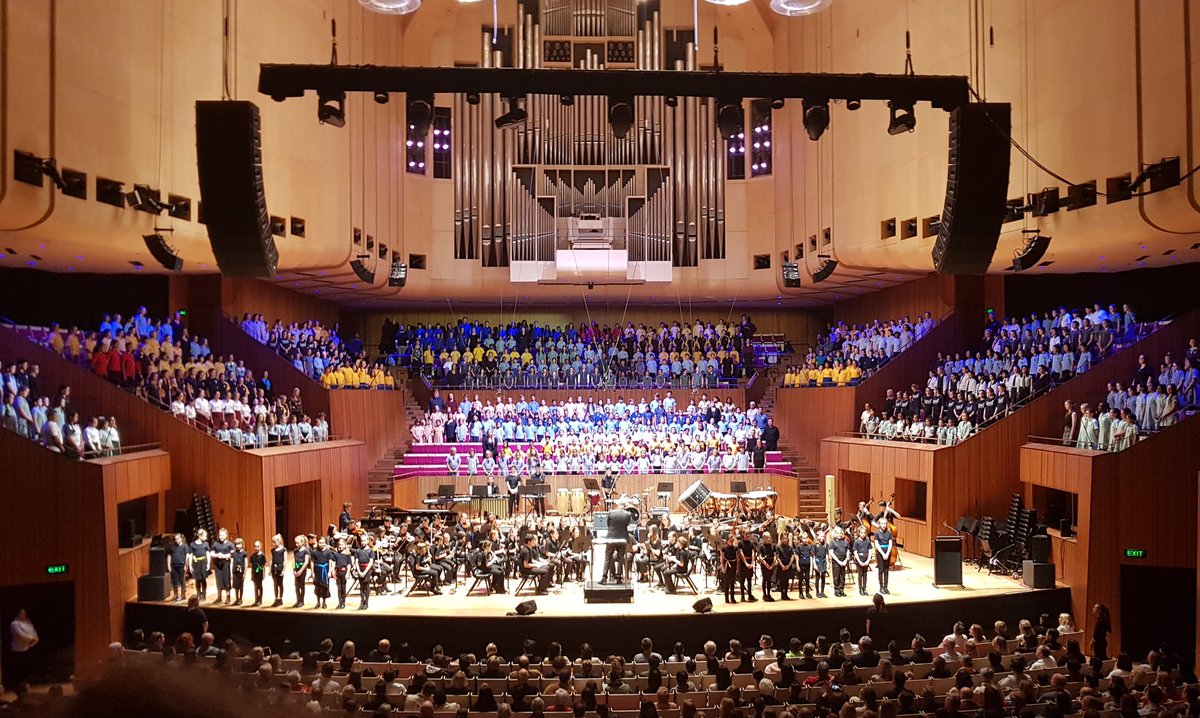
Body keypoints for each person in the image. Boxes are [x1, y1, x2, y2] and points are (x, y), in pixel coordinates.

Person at [8, 609, 38, 686]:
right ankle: (18, 684)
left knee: (26, 668)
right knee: (19, 668)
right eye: (21, 613)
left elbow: (33, 630)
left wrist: (35, 637)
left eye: (24, 613)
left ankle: (26, 683)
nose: (23, 615)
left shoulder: (27, 621)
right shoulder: (14, 624)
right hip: (17, 649)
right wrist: (32, 638)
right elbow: (20, 635)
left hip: (27, 647)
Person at [210, 528, 235, 605]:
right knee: (219, 581)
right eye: (220, 535)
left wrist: (224, 556)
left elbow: (233, 554)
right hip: (218, 565)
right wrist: (217, 555)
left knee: (226, 580)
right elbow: (211, 553)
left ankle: (228, 597)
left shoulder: (230, 544)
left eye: (223, 535)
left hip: (226, 564)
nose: (221, 537)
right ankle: (219, 597)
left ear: (226, 535)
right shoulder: (215, 544)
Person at [187, 528, 212, 602]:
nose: (206, 538)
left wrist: (208, 563)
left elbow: (208, 554)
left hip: (203, 563)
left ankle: (203, 594)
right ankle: (198, 594)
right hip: (196, 564)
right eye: (204, 536)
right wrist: (190, 565)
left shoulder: (206, 544)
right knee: (197, 580)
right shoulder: (192, 544)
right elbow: (191, 555)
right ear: (199, 536)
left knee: (203, 579)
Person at [354, 534, 376, 610]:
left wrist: (365, 572)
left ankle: (366, 602)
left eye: (364, 540)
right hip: (360, 568)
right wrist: (359, 571)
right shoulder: (358, 550)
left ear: (367, 541)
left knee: (366, 585)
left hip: (367, 569)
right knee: (361, 586)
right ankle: (362, 601)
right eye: (361, 540)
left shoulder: (370, 550)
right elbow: (356, 561)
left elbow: (371, 562)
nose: (362, 542)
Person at [873, 518, 893, 594]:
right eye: (882, 524)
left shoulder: (889, 533)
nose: (884, 525)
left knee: (886, 570)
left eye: (885, 523)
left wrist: (887, 553)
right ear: (879, 524)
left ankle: (886, 587)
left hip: (887, 553)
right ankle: (881, 587)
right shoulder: (877, 533)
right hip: (880, 553)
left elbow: (890, 543)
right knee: (881, 570)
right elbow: (877, 545)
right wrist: (883, 554)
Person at [168, 533, 189, 602]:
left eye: (178, 539)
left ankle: (183, 595)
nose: (177, 540)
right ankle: (175, 594)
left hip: (181, 566)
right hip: (174, 566)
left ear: (181, 539)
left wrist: (186, 565)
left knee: (182, 580)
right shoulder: (172, 547)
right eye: (175, 539)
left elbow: (187, 556)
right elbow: (169, 556)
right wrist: (168, 565)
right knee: (174, 581)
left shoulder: (185, 546)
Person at [830, 528, 850, 598]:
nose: (839, 535)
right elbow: (831, 552)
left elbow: (847, 551)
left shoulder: (845, 542)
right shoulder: (833, 542)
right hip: (836, 561)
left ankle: (842, 589)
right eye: (837, 533)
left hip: (844, 560)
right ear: (835, 534)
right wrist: (838, 561)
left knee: (842, 576)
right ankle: (837, 590)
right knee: (836, 576)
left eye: (840, 533)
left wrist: (846, 560)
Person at [292, 535, 312, 608]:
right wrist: (294, 570)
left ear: (302, 542)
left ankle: (301, 601)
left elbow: (306, 562)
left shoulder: (306, 550)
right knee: (296, 585)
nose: (296, 545)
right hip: (296, 569)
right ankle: (298, 600)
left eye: (298, 543)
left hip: (302, 570)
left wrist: (300, 571)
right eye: (295, 543)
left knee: (301, 585)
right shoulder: (295, 550)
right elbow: (293, 560)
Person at [852, 526, 872, 596]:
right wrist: (859, 561)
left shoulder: (867, 541)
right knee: (860, 574)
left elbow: (870, 551)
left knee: (865, 574)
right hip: (859, 560)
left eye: (864, 533)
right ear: (859, 533)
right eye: (861, 533)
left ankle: (864, 588)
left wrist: (868, 560)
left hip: (866, 559)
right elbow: (855, 551)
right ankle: (860, 589)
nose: (863, 534)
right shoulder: (856, 541)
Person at [270, 534, 287, 607]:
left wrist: (283, 570)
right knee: (275, 584)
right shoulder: (273, 550)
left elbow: (285, 560)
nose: (273, 544)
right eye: (272, 542)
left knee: (280, 584)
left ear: (279, 542)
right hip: (274, 569)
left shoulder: (283, 550)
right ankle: (276, 598)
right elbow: (272, 560)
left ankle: (280, 598)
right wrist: (270, 570)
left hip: (280, 569)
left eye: (274, 542)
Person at [249, 540, 267, 607]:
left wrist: (264, 574)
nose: (256, 548)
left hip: (260, 573)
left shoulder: (262, 555)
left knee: (259, 586)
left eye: (258, 546)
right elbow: (251, 565)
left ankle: (260, 600)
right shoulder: (252, 556)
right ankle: (256, 600)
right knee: (255, 587)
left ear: (260, 547)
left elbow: (264, 565)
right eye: (255, 546)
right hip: (254, 573)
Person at [230, 537, 247, 606]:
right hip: (235, 572)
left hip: (241, 572)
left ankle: (240, 599)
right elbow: (231, 563)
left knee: (240, 586)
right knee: (236, 586)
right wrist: (231, 573)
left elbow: (246, 564)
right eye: (236, 544)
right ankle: (237, 599)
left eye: (239, 544)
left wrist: (244, 573)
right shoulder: (233, 553)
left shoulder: (244, 553)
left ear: (242, 544)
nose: (238, 546)